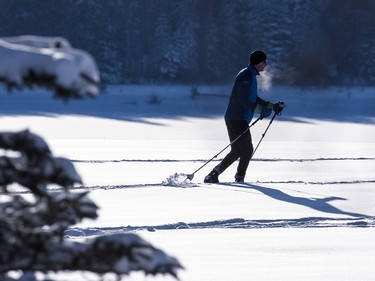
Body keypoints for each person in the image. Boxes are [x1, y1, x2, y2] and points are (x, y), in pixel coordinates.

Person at [204, 50, 285, 183]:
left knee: (237, 150)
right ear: (259, 62)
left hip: (236, 118)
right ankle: (239, 178)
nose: (266, 64)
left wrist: (272, 106)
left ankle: (214, 174)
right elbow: (243, 99)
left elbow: (254, 98)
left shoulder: (249, 75)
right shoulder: (246, 75)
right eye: (265, 62)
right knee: (247, 149)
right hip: (237, 118)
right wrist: (260, 110)